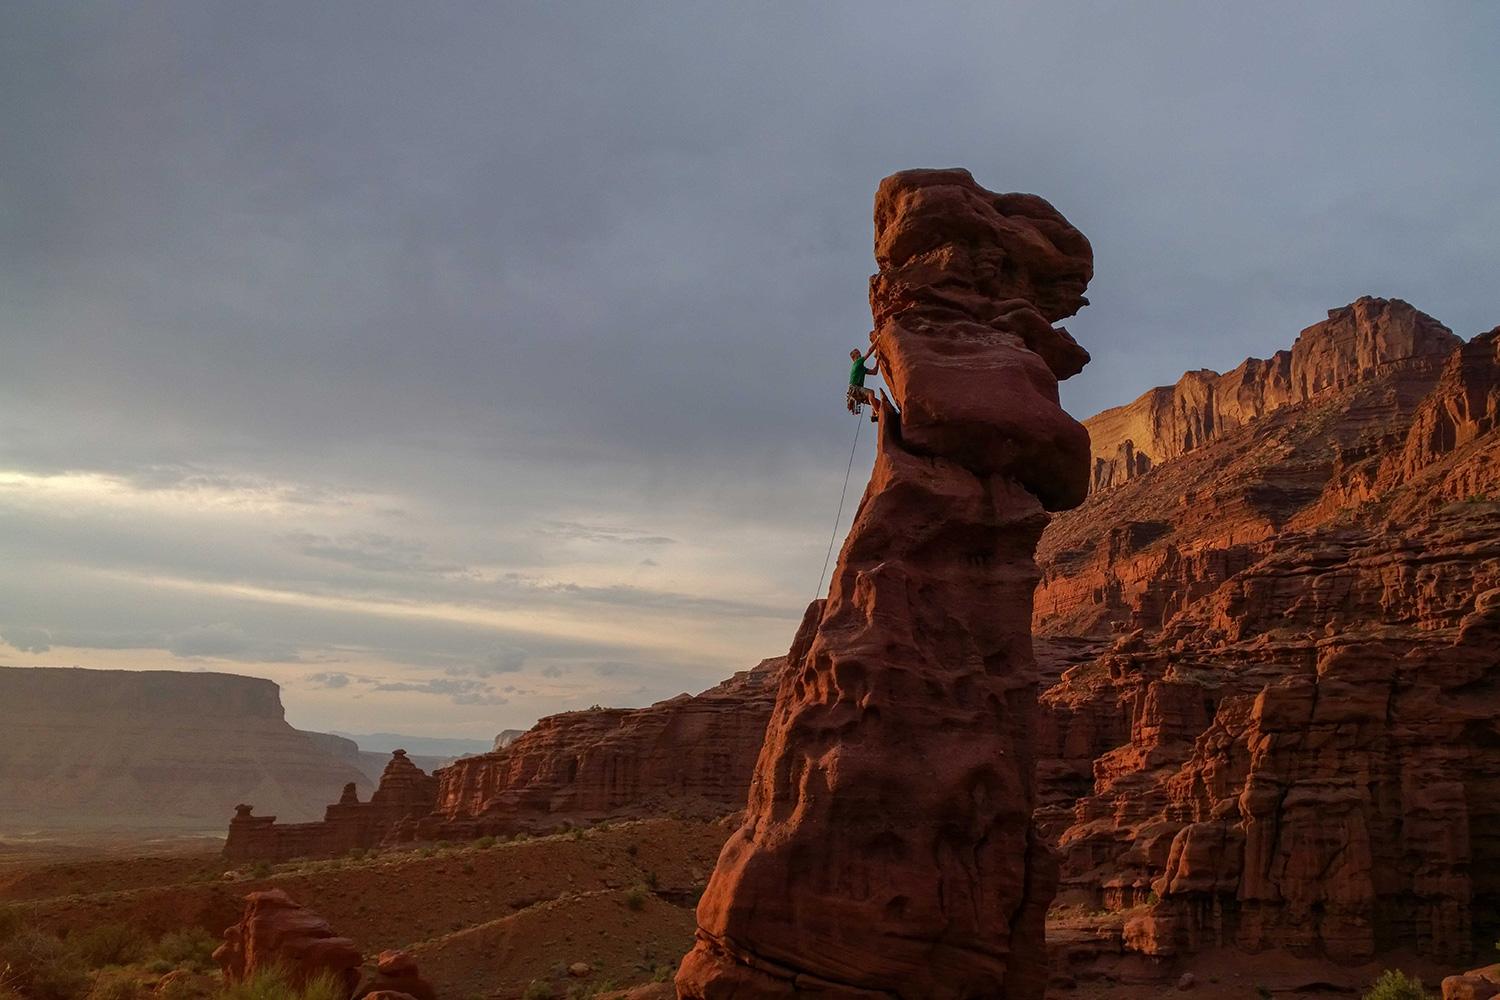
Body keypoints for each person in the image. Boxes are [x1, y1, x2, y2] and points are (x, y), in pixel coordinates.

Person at [846, 337, 882, 421]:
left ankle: (874, 415)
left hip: (856, 393)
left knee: (878, 403)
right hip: (855, 388)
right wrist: (878, 338)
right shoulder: (857, 362)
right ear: (854, 357)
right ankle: (877, 412)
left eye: (859, 352)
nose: (860, 354)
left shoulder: (861, 368)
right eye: (857, 353)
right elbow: (869, 351)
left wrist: (877, 360)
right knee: (871, 393)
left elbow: (874, 372)